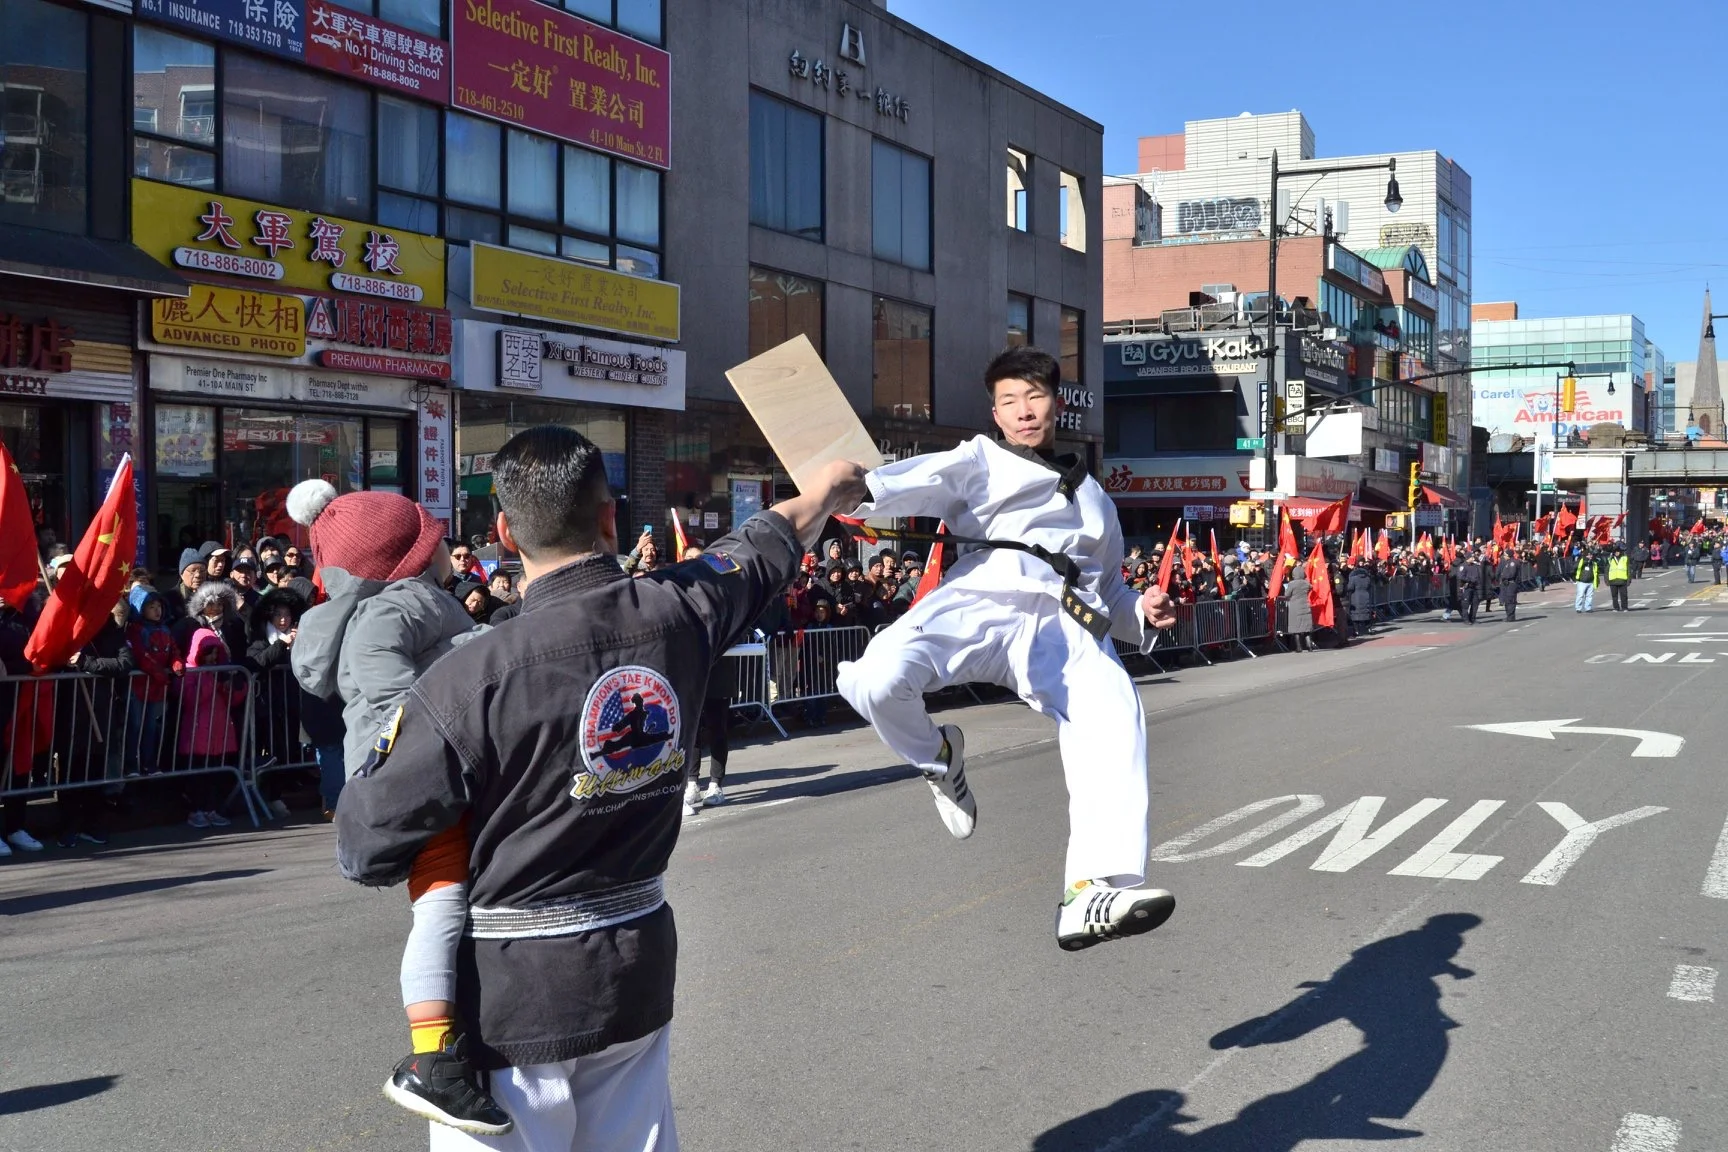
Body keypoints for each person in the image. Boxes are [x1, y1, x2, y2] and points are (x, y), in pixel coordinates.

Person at [335, 425, 867, 1150]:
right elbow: (757, 552)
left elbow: (366, 843)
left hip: (512, 1008)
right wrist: (830, 489)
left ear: (501, 531)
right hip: (635, 974)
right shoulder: (679, 612)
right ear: (610, 516)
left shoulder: (467, 680)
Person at [834, 346, 1179, 952]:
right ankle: (940, 759)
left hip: (1062, 626)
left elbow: (1115, 597)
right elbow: (906, 484)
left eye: (1035, 396)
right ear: (995, 412)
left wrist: (1143, 611)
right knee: (875, 678)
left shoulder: (1097, 501)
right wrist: (852, 489)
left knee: (1114, 710)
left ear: (1057, 402)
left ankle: (1090, 890)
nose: (1023, 411)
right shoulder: (981, 460)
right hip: (982, 600)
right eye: (1009, 401)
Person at [288, 478, 502, 1135]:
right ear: (404, 557)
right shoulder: (399, 604)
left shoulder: (392, 603)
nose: (448, 551)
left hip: (406, 773)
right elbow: (395, 689)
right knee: (442, 905)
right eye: (435, 540)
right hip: (416, 775)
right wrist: (476, 664)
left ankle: (445, 1042)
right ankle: (433, 1056)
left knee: (445, 902)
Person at [125, 587, 183, 778]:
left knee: (151, 727)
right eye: (151, 606)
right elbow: (141, 655)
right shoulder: (136, 630)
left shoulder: (165, 629)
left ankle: (149, 763)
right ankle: (131, 765)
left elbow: (173, 650)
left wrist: (176, 663)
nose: (157, 610)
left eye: (159, 606)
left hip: (158, 688)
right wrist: (159, 673)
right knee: (134, 726)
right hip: (139, 687)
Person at [162, 549, 206, 621]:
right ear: (181, 574)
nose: (198, 575)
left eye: (202, 570)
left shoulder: (211, 596)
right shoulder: (169, 598)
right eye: (192, 571)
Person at [1456, 551, 1483, 625]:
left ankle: (1473, 618)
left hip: (1474, 587)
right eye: (1471, 557)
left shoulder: (1475, 566)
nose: (1473, 558)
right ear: (1467, 558)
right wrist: (1470, 579)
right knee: (1465, 604)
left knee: (1475, 604)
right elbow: (1460, 576)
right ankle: (1466, 619)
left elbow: (1478, 576)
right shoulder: (1463, 566)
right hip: (1466, 587)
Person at [1494, 551, 1521, 622]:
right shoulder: (1507, 562)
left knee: (1510, 600)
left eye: (1505, 555)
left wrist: (1503, 577)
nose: (1504, 556)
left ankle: (1511, 617)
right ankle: (1508, 616)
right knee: (1506, 600)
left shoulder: (1513, 562)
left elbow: (1512, 574)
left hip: (1511, 584)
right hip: (1505, 584)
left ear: (1509, 555)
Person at [1606, 546, 1631, 612]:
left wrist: (1629, 580)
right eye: (1615, 552)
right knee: (1614, 596)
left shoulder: (1624, 558)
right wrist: (1607, 580)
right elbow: (1607, 570)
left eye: (1618, 551)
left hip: (1622, 580)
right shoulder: (1610, 559)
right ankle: (1616, 608)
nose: (1617, 553)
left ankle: (1624, 607)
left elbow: (1628, 570)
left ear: (1620, 552)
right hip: (1613, 580)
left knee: (1624, 595)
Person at [1573, 549, 1599, 613]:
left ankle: (1588, 608)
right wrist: (1585, 561)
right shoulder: (1581, 561)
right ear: (1586, 555)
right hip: (1582, 581)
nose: (1590, 556)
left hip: (1590, 582)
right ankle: (1578, 608)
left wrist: (1597, 580)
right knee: (1580, 595)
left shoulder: (1593, 562)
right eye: (1589, 555)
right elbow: (1575, 567)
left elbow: (1596, 572)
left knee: (1589, 596)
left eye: (1591, 555)